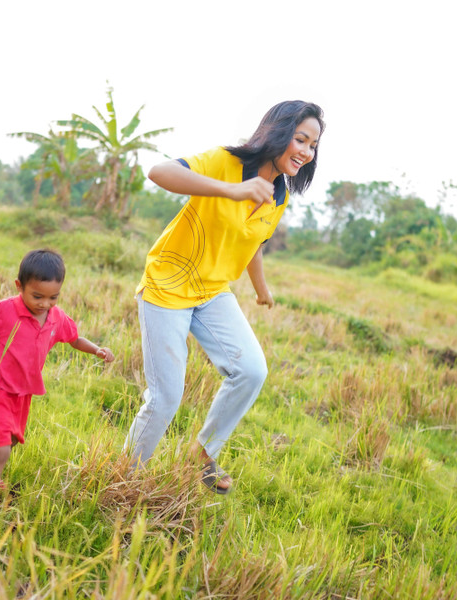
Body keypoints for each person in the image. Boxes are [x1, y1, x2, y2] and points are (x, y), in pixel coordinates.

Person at [124, 100, 325, 494]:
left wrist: (261, 289)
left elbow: (253, 241)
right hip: (168, 283)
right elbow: (158, 172)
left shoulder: (279, 194)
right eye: (301, 139)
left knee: (251, 370)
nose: (306, 151)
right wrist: (232, 190)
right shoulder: (224, 162)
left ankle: (200, 455)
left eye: (313, 145)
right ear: (278, 132)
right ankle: (126, 476)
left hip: (213, 291)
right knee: (166, 398)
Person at [0, 249, 115, 548]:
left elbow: (74, 338)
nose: (45, 304)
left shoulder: (56, 317)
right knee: (0, 451)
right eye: (37, 296)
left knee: (10, 441)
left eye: (53, 297)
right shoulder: (5, 311)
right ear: (19, 286)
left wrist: (96, 350)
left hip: (25, 392)